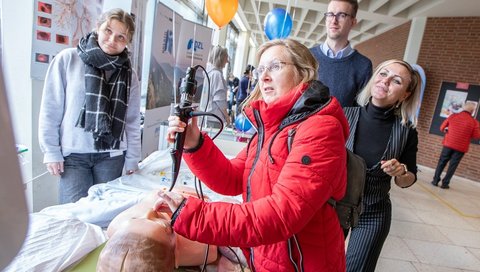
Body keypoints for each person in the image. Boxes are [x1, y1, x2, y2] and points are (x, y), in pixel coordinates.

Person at [156, 38, 349, 271]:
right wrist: (194, 143)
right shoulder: (272, 129)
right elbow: (233, 178)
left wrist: (193, 216)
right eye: (261, 69)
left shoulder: (320, 129)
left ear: (303, 73)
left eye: (275, 66)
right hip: (269, 257)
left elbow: (281, 214)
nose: (264, 77)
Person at [38, 8, 141, 204]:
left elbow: (132, 120)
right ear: (97, 28)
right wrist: (51, 151)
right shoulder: (68, 59)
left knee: (106, 215)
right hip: (74, 156)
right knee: (73, 217)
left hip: (112, 155)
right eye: (108, 31)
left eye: (121, 37)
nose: (112, 40)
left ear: (127, 42)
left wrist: (133, 159)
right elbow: (51, 109)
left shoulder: (129, 74)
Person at [343, 59, 422, 272]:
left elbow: (409, 179)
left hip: (373, 211)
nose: (385, 81)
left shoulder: (406, 130)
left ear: (405, 94)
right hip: (334, 206)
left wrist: (401, 171)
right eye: (383, 73)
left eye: (395, 80)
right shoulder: (343, 115)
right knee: (320, 264)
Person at [97, 187, 219, 271]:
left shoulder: (116, 226)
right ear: (175, 252)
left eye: (135, 219)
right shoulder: (200, 248)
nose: (150, 211)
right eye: (162, 224)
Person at [310, 0, 372, 107]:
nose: (334, 20)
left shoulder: (363, 65)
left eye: (341, 15)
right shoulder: (306, 56)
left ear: (353, 22)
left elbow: (361, 110)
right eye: (330, 14)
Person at [431, 101, 480, 189]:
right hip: (461, 147)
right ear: (472, 111)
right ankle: (445, 184)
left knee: (442, 162)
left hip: (448, 144)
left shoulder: (453, 116)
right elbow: (476, 136)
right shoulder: (474, 122)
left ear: (463, 108)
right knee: (453, 165)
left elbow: (442, 128)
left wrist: (447, 130)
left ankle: (435, 180)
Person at [202, 45, 230, 129]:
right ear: (221, 58)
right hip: (214, 117)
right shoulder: (216, 75)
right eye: (226, 58)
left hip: (206, 115)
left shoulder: (208, 73)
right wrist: (227, 117)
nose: (227, 61)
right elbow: (219, 100)